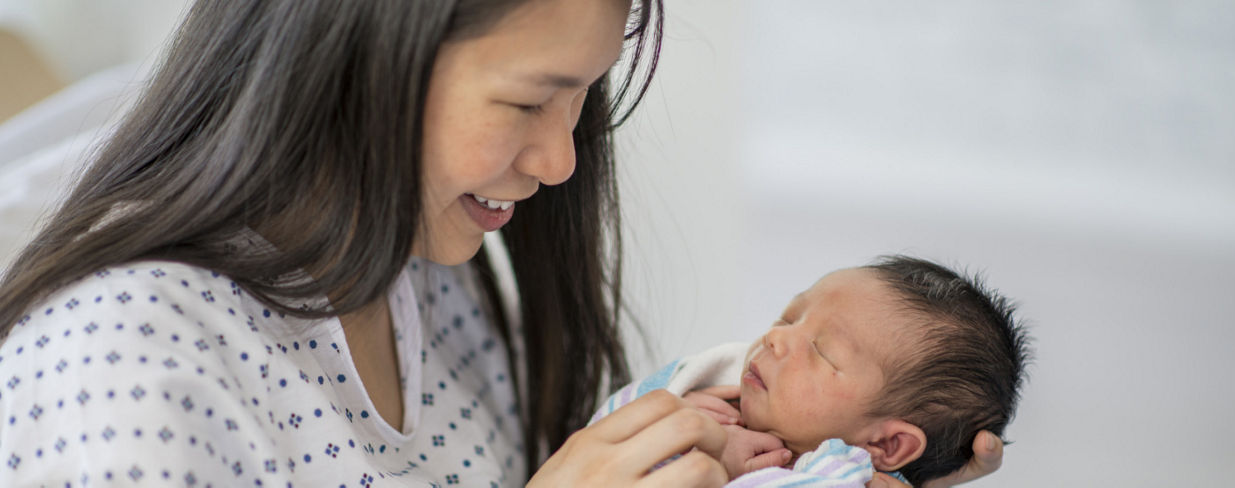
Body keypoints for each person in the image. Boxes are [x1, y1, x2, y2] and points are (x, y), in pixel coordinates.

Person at [0, 1, 1002, 486]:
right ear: (357, 46)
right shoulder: (123, 364)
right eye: (529, 98)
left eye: (582, 99)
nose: (563, 161)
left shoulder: (423, 277)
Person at [593, 256, 1029, 486]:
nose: (774, 338)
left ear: (886, 443)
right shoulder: (713, 398)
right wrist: (674, 421)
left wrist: (716, 467)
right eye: (788, 318)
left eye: (823, 352)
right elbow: (594, 450)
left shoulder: (836, 479)